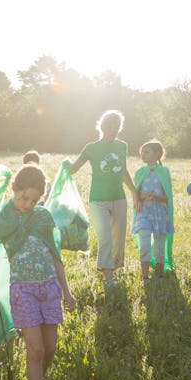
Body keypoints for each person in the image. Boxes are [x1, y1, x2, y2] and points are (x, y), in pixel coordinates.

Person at [0, 164, 76, 380]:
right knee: (36, 350)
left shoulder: (43, 217)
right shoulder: (2, 218)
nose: (28, 204)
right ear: (14, 189)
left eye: (34, 200)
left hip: (50, 288)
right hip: (24, 291)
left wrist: (66, 290)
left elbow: (55, 256)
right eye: (24, 198)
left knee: (50, 349)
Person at [70, 110, 141, 288]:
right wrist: (61, 171)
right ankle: (108, 279)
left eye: (116, 127)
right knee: (105, 238)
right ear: (102, 127)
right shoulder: (91, 148)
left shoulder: (122, 146)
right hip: (98, 200)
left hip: (118, 198)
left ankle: (111, 270)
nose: (113, 130)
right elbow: (73, 169)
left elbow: (123, 170)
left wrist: (133, 191)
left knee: (118, 239)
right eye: (110, 126)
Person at [131, 141, 174, 279]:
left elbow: (168, 197)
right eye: (142, 152)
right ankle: (145, 276)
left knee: (159, 244)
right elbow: (135, 194)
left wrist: (156, 196)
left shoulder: (164, 171)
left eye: (147, 151)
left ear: (157, 154)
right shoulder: (140, 172)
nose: (143, 154)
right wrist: (142, 196)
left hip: (160, 213)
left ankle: (160, 275)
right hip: (143, 213)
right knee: (144, 243)